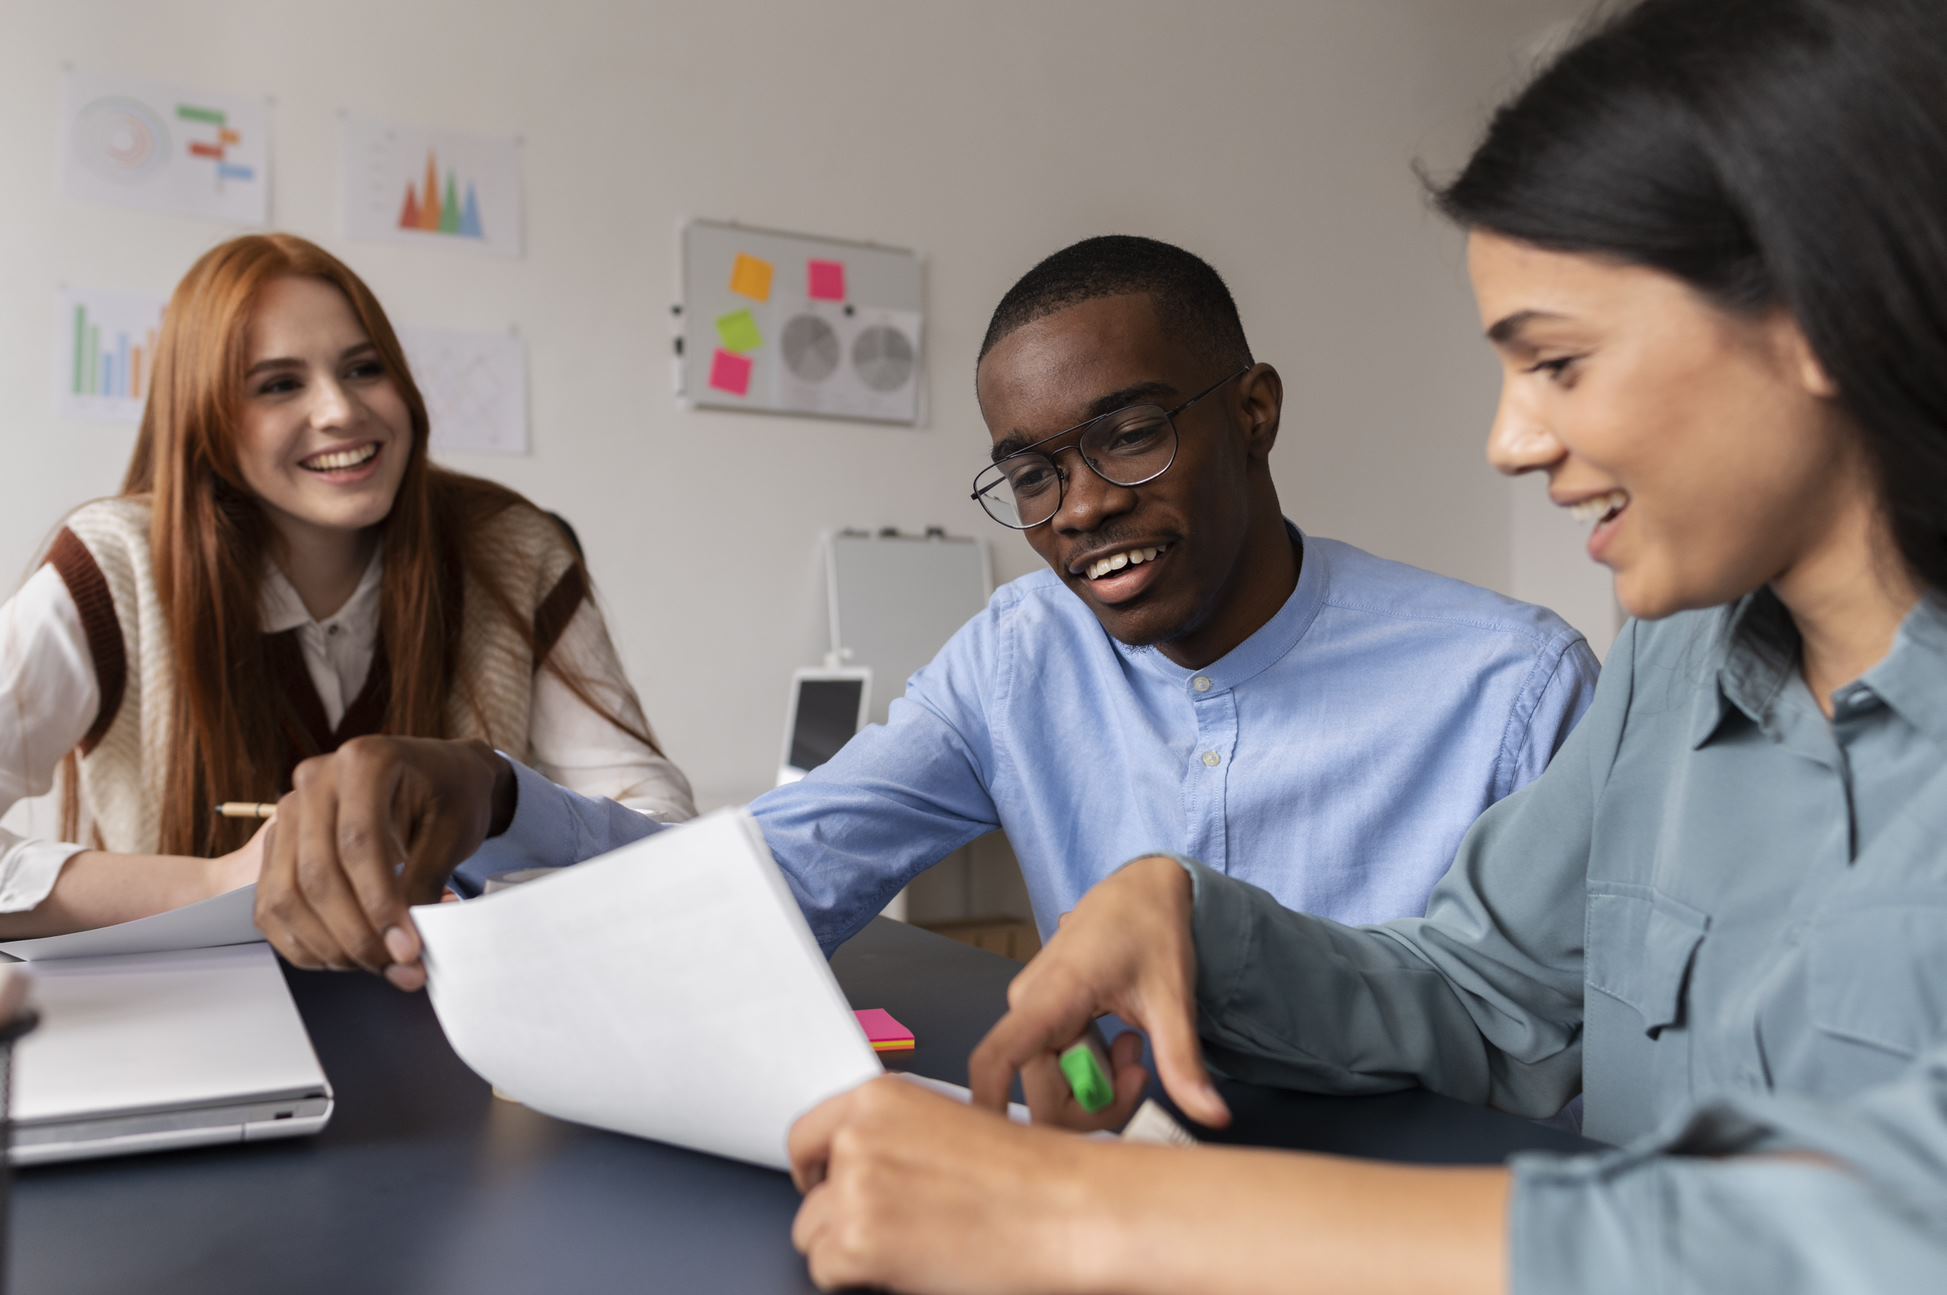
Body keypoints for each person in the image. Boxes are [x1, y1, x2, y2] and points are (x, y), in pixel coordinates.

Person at [785, 0, 1947, 1289]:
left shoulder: (1528, 671)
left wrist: (1088, 1219)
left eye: (1559, 362)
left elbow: (1883, 1221)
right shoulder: (1676, 660)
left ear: (1812, 317)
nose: (1512, 442)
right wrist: (1200, 923)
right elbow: (1487, 991)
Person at [248, 235, 1600, 989]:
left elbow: (1551, 1043)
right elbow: (754, 885)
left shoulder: (1510, 685)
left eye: (1126, 436)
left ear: (1252, 412)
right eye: (1028, 471)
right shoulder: (1020, 657)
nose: (1074, 508)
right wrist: (490, 795)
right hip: (1098, 1195)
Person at [0, 234, 693, 939]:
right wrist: (215, 882)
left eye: (364, 368)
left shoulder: (511, 548)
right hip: (180, 1026)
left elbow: (666, 833)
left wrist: (496, 826)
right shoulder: (113, 565)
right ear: (205, 419)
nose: (339, 410)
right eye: (278, 384)